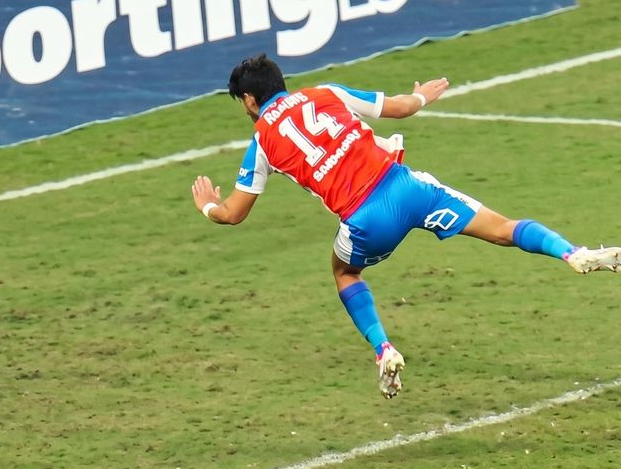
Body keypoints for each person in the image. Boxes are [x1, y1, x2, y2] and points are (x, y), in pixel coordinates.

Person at [191, 53, 620, 398]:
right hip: (407, 188)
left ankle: (384, 349)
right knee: (504, 228)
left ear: (249, 100)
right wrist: (421, 97)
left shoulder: (262, 142)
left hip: (365, 220)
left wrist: (209, 206)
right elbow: (398, 108)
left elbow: (234, 213)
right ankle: (572, 252)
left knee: (345, 273)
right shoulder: (324, 93)